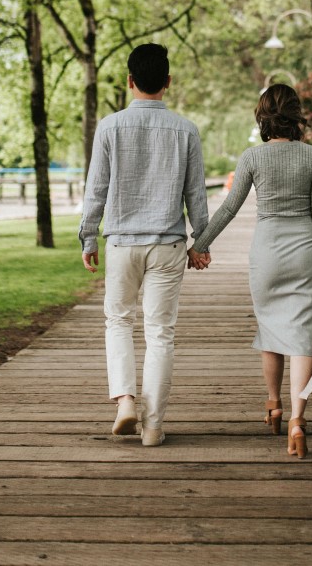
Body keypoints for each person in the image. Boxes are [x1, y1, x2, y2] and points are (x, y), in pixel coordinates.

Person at [189, 83, 312, 459]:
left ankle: (273, 406)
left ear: (262, 118)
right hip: (305, 252)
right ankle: (297, 422)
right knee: (303, 337)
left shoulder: (252, 157)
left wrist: (201, 244)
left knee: (271, 330)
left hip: (267, 255)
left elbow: (227, 209)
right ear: (296, 117)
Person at [79, 43, 209, 447]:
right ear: (167, 83)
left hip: (121, 243)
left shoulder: (109, 126)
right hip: (168, 245)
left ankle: (125, 403)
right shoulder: (186, 130)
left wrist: (88, 235)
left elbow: (96, 188)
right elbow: (196, 195)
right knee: (160, 333)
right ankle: (153, 427)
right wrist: (200, 242)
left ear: (129, 81)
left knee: (118, 321)